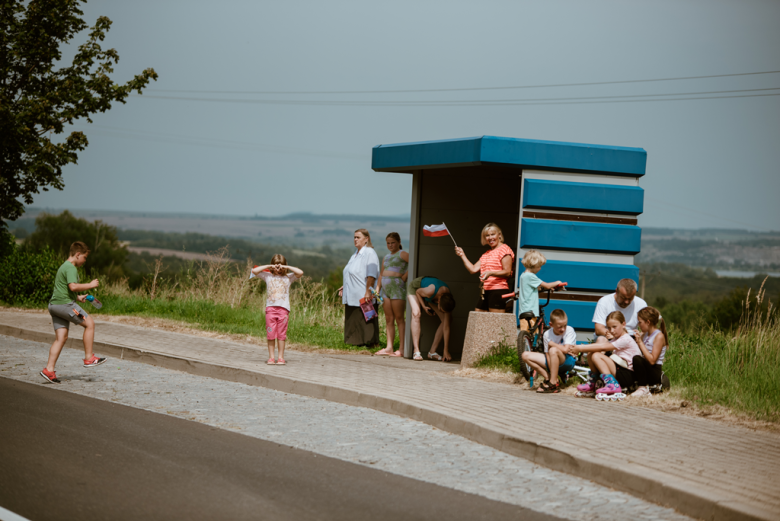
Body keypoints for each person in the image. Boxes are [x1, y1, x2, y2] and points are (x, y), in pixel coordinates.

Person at [40, 241, 106, 383]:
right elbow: (73, 286)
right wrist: (90, 285)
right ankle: (89, 358)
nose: (85, 260)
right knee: (90, 324)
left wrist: (78, 297)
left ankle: (49, 370)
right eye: (84, 257)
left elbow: (63, 290)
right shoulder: (71, 268)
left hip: (54, 306)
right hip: (65, 305)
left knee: (61, 338)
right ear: (77, 255)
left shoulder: (63, 267)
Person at [571, 311, 642, 397]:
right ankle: (593, 382)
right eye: (609, 327)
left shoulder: (625, 339)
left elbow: (603, 347)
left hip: (627, 375)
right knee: (592, 353)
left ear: (623, 324)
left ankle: (612, 385)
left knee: (596, 355)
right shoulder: (616, 338)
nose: (611, 330)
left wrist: (580, 348)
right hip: (620, 369)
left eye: (614, 327)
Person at [251, 254, 304, 365]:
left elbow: (300, 272)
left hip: (283, 310)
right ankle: (271, 357)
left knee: (281, 335)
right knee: (270, 334)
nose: (279, 270)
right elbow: (254, 271)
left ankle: (280, 357)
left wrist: (286, 268)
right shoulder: (268, 276)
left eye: (281, 267)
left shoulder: (288, 277)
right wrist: (270, 266)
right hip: (270, 310)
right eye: (277, 267)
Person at [454, 223, 514, 313]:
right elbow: (473, 269)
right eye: (487, 235)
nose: (490, 238)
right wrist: (462, 255)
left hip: (498, 291)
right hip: (485, 291)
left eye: (493, 234)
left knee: (495, 323)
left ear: (499, 235)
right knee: (478, 318)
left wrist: (490, 273)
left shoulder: (505, 249)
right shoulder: (487, 253)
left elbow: (507, 272)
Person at [339, 229, 381, 346]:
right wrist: (345, 286)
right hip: (352, 294)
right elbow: (353, 273)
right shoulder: (355, 253)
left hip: (364, 294)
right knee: (353, 318)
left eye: (358, 237)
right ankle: (354, 342)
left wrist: (368, 291)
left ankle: (370, 342)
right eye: (354, 237)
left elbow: (371, 275)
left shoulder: (369, 253)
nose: (355, 239)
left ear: (366, 239)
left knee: (367, 319)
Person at [521, 309, 577, 394]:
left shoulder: (569, 330)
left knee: (553, 350)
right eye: (559, 327)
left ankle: (553, 384)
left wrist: (552, 343)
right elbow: (547, 355)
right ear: (551, 325)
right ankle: (549, 378)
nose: (563, 329)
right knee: (525, 355)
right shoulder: (547, 334)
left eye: (564, 325)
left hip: (567, 360)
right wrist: (551, 371)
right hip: (552, 360)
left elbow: (565, 350)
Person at [374, 232, 409, 357]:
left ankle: (402, 348)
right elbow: (382, 274)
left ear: (399, 242)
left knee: (399, 318)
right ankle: (389, 347)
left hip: (397, 288)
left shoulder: (403, 254)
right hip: (385, 290)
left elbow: (414, 262)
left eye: (392, 242)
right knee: (389, 319)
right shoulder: (386, 257)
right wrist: (377, 289)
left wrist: (405, 275)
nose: (390, 245)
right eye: (388, 243)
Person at [407, 277, 456, 361]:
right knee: (416, 313)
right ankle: (416, 351)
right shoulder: (430, 291)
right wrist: (424, 307)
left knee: (447, 320)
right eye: (441, 309)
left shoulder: (448, 300)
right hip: (416, 289)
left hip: (431, 296)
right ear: (438, 301)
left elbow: (446, 327)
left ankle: (432, 352)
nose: (441, 311)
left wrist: (446, 351)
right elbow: (418, 292)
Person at [517, 249, 563, 331]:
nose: (540, 269)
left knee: (526, 334)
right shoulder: (531, 276)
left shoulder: (523, 275)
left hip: (524, 310)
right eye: (539, 266)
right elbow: (547, 285)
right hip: (531, 310)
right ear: (534, 264)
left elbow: (535, 287)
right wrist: (557, 282)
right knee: (533, 335)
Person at [631, 306, 669, 397]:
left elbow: (652, 360)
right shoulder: (645, 334)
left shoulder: (659, 336)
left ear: (648, 322)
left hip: (654, 370)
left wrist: (640, 343)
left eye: (640, 322)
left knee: (637, 359)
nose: (638, 325)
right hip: (646, 368)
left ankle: (643, 388)